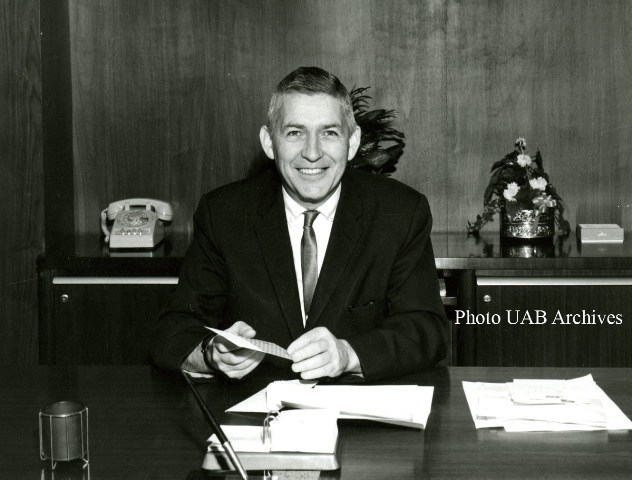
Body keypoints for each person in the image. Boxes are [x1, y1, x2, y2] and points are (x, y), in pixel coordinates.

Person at [152, 66, 447, 381]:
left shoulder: (400, 213)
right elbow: (174, 331)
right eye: (295, 132)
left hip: (359, 418)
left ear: (352, 142)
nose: (312, 152)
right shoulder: (223, 214)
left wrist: (349, 354)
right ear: (269, 142)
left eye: (329, 132)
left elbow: (426, 330)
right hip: (254, 416)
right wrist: (210, 352)